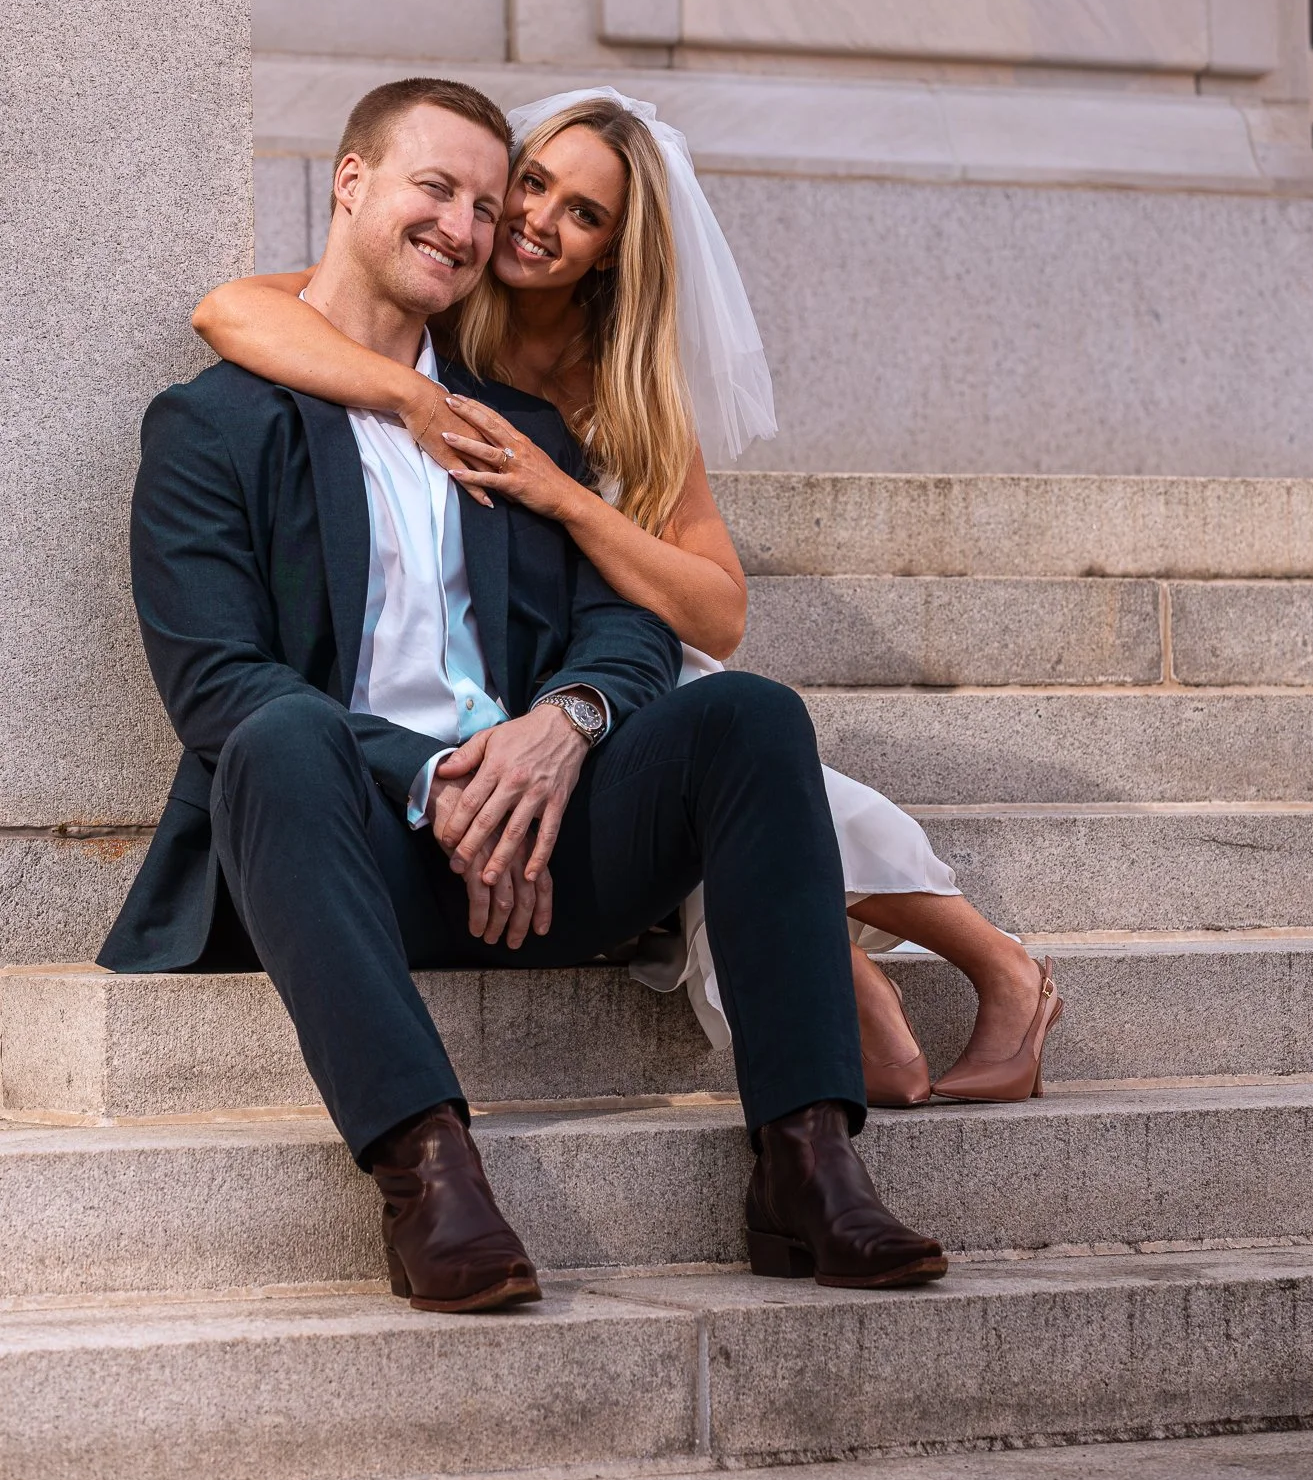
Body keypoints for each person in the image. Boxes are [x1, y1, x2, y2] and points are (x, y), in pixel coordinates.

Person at [101, 77, 949, 1317]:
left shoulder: (521, 428)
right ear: (351, 184)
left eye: (485, 205)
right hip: (345, 862)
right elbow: (217, 685)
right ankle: (428, 1174)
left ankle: (808, 1164)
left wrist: (566, 728)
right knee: (276, 730)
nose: (463, 222)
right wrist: (434, 774)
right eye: (432, 186)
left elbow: (630, 623)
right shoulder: (214, 424)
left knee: (751, 715)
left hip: (537, 855)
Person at [194, 87, 1062, 1108]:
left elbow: (720, 611)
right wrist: (416, 398)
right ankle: (848, 976)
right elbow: (230, 309)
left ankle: (993, 971)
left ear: (611, 249)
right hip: (514, 661)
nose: (535, 219)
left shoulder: (626, 386)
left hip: (624, 642)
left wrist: (561, 496)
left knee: (737, 733)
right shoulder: (437, 302)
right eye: (531, 183)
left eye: (583, 214)